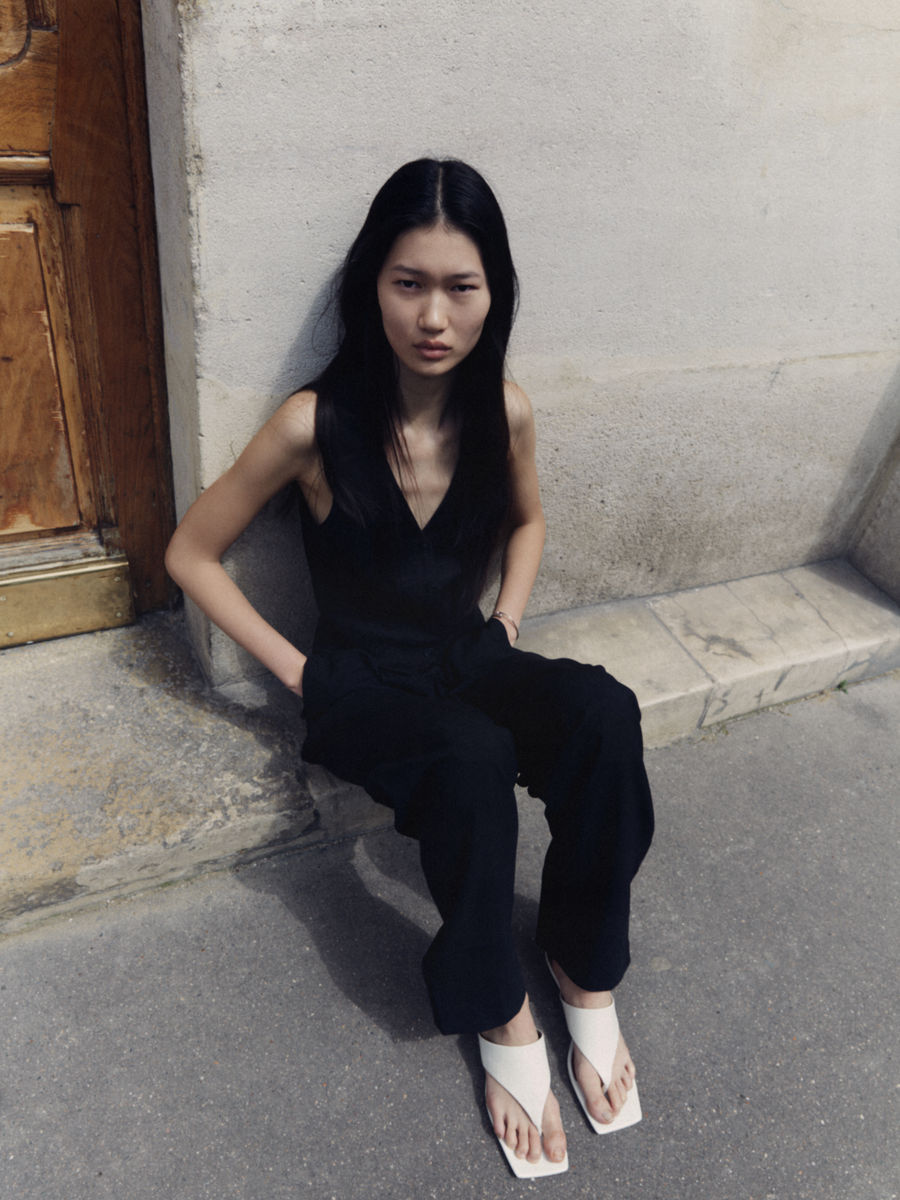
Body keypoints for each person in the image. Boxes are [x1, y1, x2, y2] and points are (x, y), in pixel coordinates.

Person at [165, 158, 654, 1178]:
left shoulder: (503, 412)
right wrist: (299, 672)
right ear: (372, 287)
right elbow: (190, 553)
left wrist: (507, 622)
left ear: (494, 293)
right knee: (470, 759)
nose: (434, 316)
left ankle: (583, 963)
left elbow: (528, 521)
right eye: (409, 283)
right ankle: (497, 1005)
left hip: (468, 654)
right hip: (360, 686)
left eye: (460, 287)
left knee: (603, 713)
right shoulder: (313, 424)